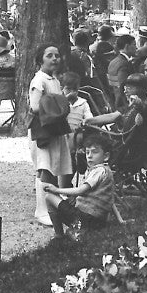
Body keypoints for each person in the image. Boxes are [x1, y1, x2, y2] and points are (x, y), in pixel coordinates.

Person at [29, 44, 74, 224]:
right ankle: (42, 211)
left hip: (55, 128)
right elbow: (34, 107)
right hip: (43, 131)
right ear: (41, 60)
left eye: (57, 55)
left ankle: (53, 207)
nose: (55, 58)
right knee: (45, 169)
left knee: (53, 168)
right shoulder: (39, 81)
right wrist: (59, 103)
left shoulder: (53, 80)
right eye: (49, 56)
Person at [43, 132, 117, 241]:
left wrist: (56, 189)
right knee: (68, 201)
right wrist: (120, 220)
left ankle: (60, 235)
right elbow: (110, 201)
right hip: (98, 221)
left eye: (95, 152)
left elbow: (80, 190)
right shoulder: (107, 171)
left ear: (106, 156)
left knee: (49, 197)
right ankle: (80, 229)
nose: (90, 156)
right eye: (87, 152)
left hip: (86, 218)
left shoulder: (98, 171)